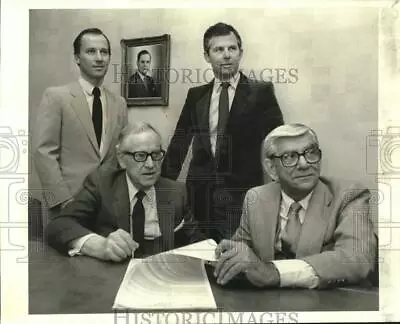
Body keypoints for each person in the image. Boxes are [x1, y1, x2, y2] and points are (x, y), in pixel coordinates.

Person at [213, 124, 377, 288]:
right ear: (271, 168)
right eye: (290, 157)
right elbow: (243, 252)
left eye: (311, 153)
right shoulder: (256, 198)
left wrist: (273, 273)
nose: (304, 163)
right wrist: (230, 256)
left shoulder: (349, 195)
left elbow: (357, 259)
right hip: (271, 306)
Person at [161, 22, 284, 242]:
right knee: (198, 258)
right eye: (218, 50)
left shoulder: (261, 92)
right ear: (207, 56)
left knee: (235, 261)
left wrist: (281, 193)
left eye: (232, 48)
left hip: (242, 197)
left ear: (240, 52)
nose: (226, 55)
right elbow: (178, 146)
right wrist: (159, 189)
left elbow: (278, 145)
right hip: (199, 196)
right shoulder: (195, 96)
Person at [45, 122, 203, 261]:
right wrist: (100, 246)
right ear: (121, 159)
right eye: (140, 156)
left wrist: (217, 253)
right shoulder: (102, 185)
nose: (150, 164)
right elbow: (58, 225)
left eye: (155, 155)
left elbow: (196, 241)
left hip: (161, 278)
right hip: (113, 278)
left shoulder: (177, 192)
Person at [34, 28, 128, 220]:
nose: (99, 58)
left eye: (104, 52)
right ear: (77, 58)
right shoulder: (56, 97)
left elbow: (121, 154)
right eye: (91, 51)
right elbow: (44, 153)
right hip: (67, 205)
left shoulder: (119, 103)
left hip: (107, 208)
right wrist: (63, 201)